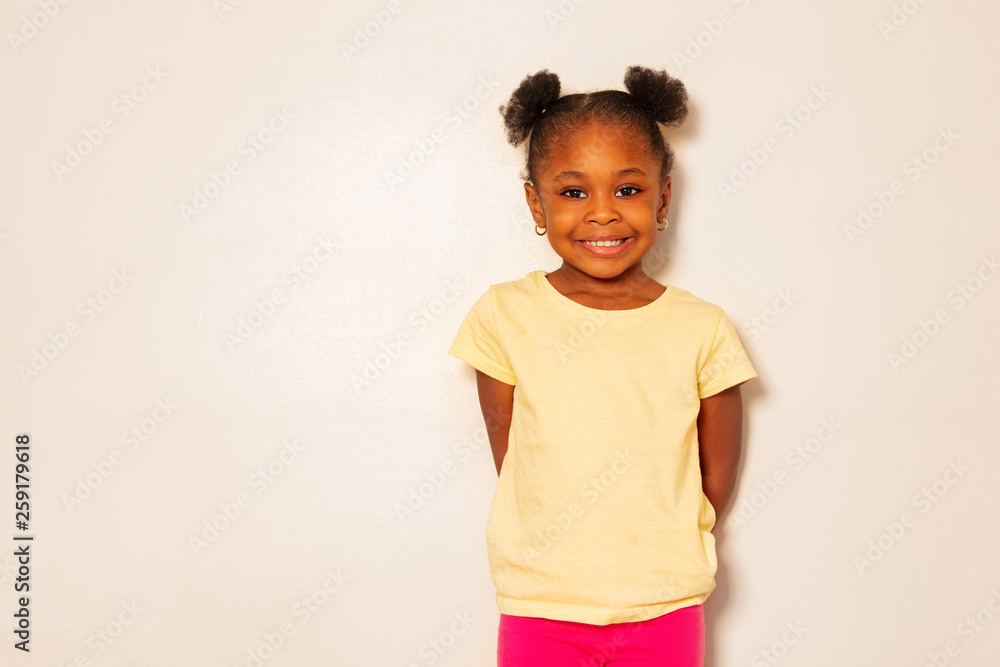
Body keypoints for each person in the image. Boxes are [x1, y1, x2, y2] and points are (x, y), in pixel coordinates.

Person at [447, 65, 758, 667]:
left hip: (664, 602)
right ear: (536, 203)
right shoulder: (505, 315)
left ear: (662, 197)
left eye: (627, 189)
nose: (602, 214)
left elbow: (715, 476)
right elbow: (513, 454)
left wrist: (664, 539)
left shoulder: (701, 327)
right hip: (541, 602)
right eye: (572, 192)